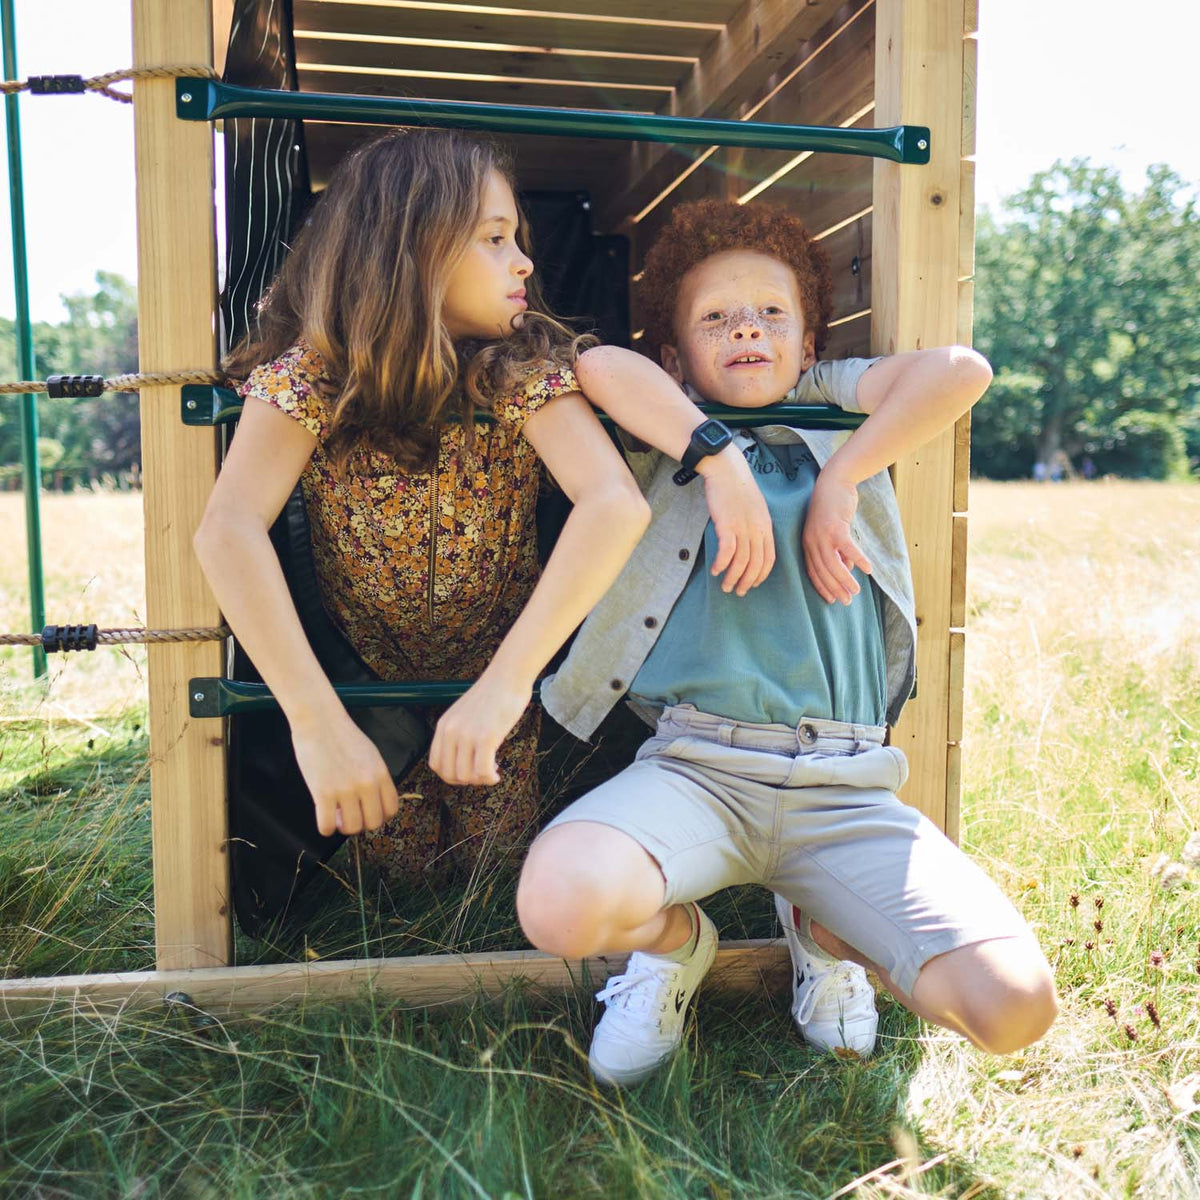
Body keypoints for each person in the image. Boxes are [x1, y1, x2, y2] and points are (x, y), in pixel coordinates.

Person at [518, 199, 1058, 1086]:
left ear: (810, 346)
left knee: (1013, 1009)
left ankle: (824, 928)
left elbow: (962, 369)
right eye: (715, 318)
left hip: (845, 785)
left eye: (772, 313)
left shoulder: (834, 408)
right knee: (560, 903)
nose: (746, 330)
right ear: (677, 356)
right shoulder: (664, 429)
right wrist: (716, 460)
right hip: (697, 768)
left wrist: (843, 474)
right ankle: (675, 944)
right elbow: (599, 364)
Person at [195, 133, 775, 887]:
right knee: (389, 883)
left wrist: (503, 689)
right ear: (410, 252)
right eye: (495, 240)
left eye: (518, 239)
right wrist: (317, 722)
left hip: (501, 673)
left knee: (494, 875)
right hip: (365, 681)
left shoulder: (519, 365)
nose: (524, 261)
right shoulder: (316, 372)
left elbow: (612, 504)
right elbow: (227, 529)